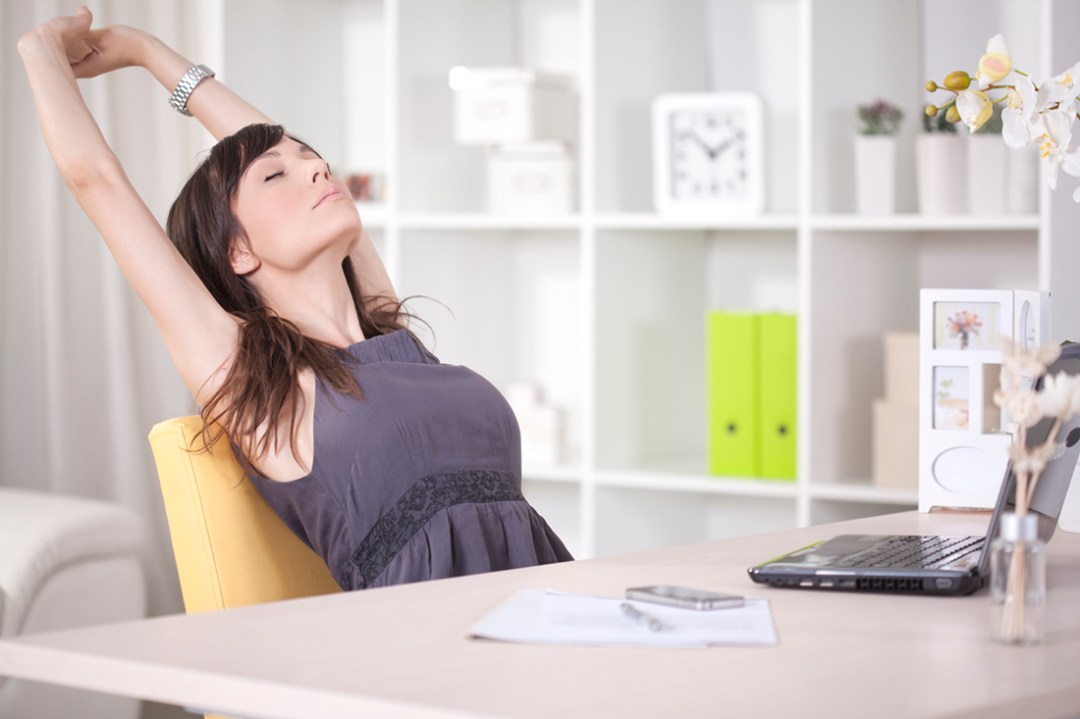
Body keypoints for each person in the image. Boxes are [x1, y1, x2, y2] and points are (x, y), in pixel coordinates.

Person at [17, 7, 572, 591]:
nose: (317, 172)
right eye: (275, 178)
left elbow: (270, 145)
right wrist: (42, 52)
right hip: (432, 657)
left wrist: (148, 50)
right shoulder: (261, 387)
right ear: (237, 253)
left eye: (318, 163)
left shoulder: (389, 334)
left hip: (544, 619)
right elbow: (95, 179)